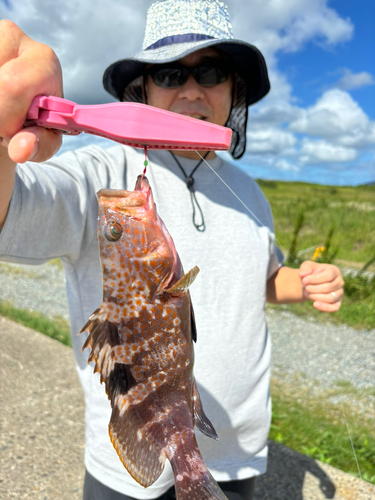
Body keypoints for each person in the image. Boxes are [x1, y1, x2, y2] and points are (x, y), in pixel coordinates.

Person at [0, 1, 344, 499]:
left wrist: (304, 282)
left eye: (210, 71)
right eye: (167, 74)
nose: (189, 89)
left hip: (235, 450)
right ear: (141, 90)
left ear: (234, 90)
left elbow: (261, 280)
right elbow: (12, 212)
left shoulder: (250, 193)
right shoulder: (100, 175)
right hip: (132, 457)